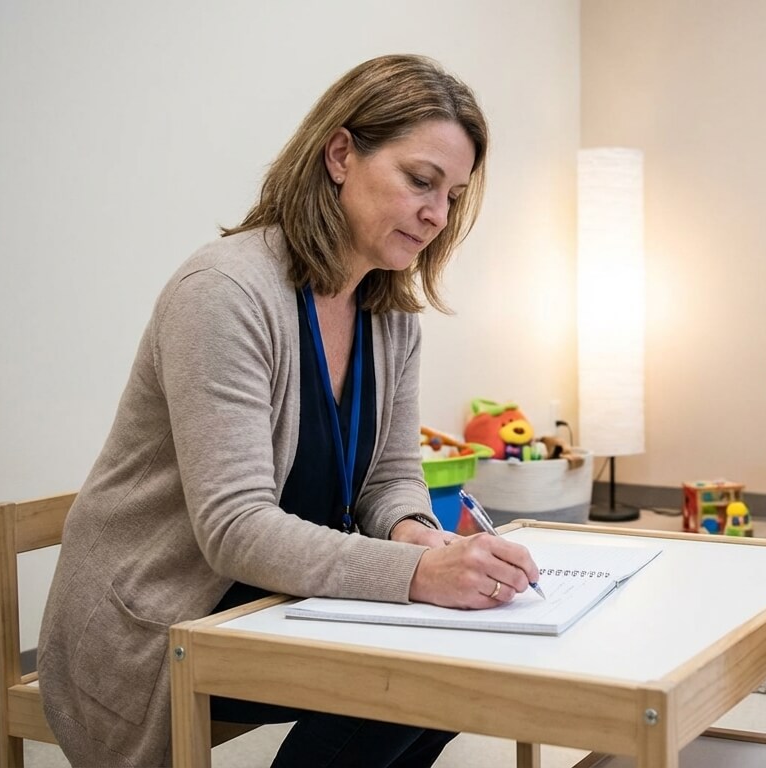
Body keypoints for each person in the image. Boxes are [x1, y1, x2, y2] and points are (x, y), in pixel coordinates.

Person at [37, 55, 541, 768]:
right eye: (421, 181)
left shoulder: (389, 312)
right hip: (160, 615)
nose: (438, 214)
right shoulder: (223, 293)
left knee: (460, 665)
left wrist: (420, 538)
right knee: (402, 683)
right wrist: (420, 577)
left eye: (453, 195)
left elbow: (391, 477)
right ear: (340, 155)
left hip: (269, 595)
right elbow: (235, 531)